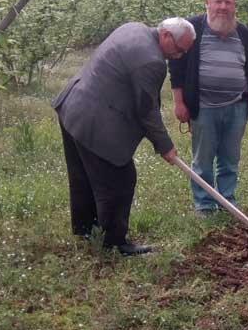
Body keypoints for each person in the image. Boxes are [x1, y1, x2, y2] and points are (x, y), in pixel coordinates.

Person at [53, 18, 195, 254]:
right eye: (179, 49)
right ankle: (114, 243)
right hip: (95, 119)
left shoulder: (134, 28)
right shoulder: (152, 61)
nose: (179, 56)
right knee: (120, 181)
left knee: (83, 176)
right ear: (166, 35)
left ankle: (86, 231)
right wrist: (165, 146)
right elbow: (146, 110)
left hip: (73, 106)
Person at [169, 0, 248, 214]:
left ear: (234, 6)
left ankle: (227, 202)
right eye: (218, 2)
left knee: (230, 158)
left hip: (238, 106)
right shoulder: (193, 29)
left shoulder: (244, 33)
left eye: (228, 2)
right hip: (203, 107)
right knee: (203, 160)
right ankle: (204, 205)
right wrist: (179, 102)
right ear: (207, 4)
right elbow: (176, 67)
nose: (223, 7)